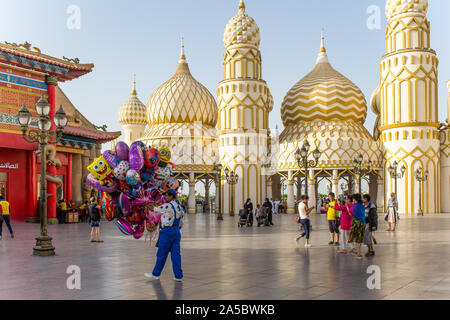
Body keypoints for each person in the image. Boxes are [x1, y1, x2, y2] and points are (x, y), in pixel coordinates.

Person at [145, 189, 184, 282]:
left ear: (172, 197)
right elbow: (181, 223)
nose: (165, 197)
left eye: (167, 195)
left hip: (166, 231)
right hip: (176, 232)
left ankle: (156, 274)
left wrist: (146, 203)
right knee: (176, 255)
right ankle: (178, 276)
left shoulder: (167, 206)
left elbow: (154, 209)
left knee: (162, 253)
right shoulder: (180, 207)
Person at [348, 194, 366, 259]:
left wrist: (347, 207)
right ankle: (358, 252)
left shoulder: (354, 206)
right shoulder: (362, 205)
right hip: (363, 223)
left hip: (356, 223)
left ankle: (357, 252)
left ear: (354, 199)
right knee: (360, 238)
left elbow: (350, 213)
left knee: (355, 238)